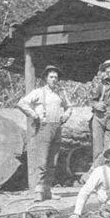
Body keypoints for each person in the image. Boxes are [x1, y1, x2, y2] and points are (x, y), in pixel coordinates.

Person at [17, 65, 72, 201]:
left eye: (56, 77)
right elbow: (22, 103)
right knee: (42, 160)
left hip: (57, 127)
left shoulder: (61, 93)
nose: (54, 79)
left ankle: (48, 190)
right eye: (51, 77)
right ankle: (38, 191)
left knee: (53, 161)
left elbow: (69, 107)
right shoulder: (39, 92)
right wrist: (34, 114)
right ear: (46, 78)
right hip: (44, 127)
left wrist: (65, 116)